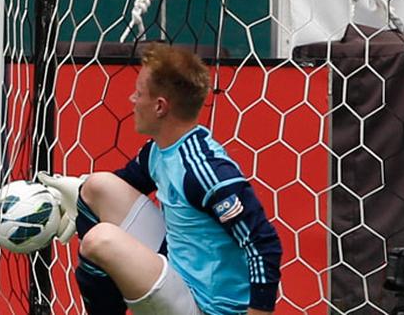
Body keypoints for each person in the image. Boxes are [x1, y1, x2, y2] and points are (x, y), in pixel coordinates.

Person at [37, 44, 282, 315]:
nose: (132, 99)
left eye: (139, 93)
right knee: (97, 187)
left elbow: (263, 243)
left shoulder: (205, 172)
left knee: (99, 241)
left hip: (206, 308)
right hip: (178, 270)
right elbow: (120, 187)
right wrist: (64, 201)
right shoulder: (159, 151)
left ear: (160, 107)